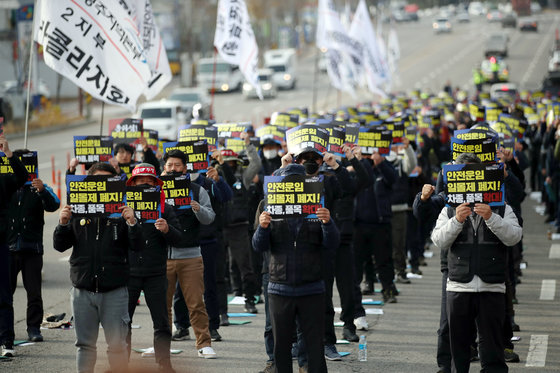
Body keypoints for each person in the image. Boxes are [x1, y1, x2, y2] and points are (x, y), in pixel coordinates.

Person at [431, 153, 522, 373]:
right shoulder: (450, 208)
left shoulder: (501, 207)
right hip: (459, 286)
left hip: (492, 286)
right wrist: (457, 221)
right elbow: (438, 240)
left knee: (492, 350)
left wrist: (492, 217)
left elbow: (514, 236)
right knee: (459, 350)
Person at [53, 162, 141, 373]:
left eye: (106, 181)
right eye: (97, 181)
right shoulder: (78, 210)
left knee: (117, 346)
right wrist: (63, 223)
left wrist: (132, 223)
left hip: (114, 290)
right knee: (84, 345)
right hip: (82, 289)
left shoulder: (121, 212)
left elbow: (137, 246)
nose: (101, 186)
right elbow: (59, 246)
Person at [253, 163, 340, 373]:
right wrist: (263, 227)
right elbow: (258, 246)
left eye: (298, 182)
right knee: (281, 345)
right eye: (288, 182)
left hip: (311, 288)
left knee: (314, 345)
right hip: (279, 288)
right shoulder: (268, 206)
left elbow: (332, 244)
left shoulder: (317, 207)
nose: (293, 186)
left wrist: (328, 223)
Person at [125, 163, 182, 373]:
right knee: (123, 323)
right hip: (128, 273)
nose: (145, 185)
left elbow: (179, 238)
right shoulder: (123, 206)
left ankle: (164, 364)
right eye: (141, 182)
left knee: (162, 322)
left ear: (156, 184)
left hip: (156, 273)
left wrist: (167, 229)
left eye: (150, 181)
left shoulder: (164, 206)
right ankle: (122, 363)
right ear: (133, 184)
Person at [162, 150, 218, 359]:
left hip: (190, 256)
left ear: (185, 168)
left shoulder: (196, 190)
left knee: (196, 303)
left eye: (177, 165)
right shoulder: (155, 191)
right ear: (164, 167)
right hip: (163, 257)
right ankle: (162, 345)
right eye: (170, 165)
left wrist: (197, 209)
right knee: (163, 306)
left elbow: (209, 217)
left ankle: (203, 344)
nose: (173, 169)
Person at [172, 158, 233, 343]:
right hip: (179, 241)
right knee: (179, 289)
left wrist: (218, 180)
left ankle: (212, 327)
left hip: (206, 240)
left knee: (209, 284)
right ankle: (181, 326)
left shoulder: (206, 182)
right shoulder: (168, 184)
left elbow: (227, 197)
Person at [7, 150, 60, 343]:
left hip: (32, 249)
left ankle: (33, 328)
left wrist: (42, 191)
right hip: (8, 249)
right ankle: (5, 330)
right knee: (5, 294)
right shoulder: (6, 187)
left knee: (34, 293)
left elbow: (54, 205)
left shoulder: (40, 187)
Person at [218, 132, 262, 314]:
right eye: (224, 161)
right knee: (222, 268)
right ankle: (221, 310)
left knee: (245, 265)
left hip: (238, 228)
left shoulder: (243, 178)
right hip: (219, 228)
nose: (228, 164)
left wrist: (248, 144)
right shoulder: (213, 177)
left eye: (231, 162)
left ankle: (249, 300)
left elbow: (257, 164)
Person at [0, 135, 28, 357]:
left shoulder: (3, 180)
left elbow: (21, 177)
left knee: (3, 296)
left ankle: (6, 341)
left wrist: (9, 154)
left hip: (2, 244)